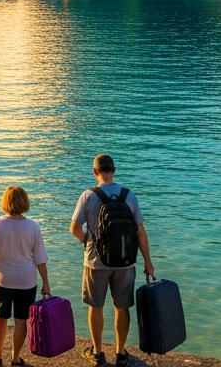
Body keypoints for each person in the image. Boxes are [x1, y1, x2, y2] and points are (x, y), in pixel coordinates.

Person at [70, 155, 153, 366]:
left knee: (96, 307)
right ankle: (121, 352)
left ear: (95, 172)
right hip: (125, 262)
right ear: (114, 170)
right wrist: (148, 262)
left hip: (96, 262)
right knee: (122, 307)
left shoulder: (88, 196)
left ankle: (98, 352)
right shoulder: (129, 195)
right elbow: (140, 232)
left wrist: (88, 242)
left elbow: (74, 228)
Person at [0, 185, 49, 367]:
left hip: (3, 278)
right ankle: (16, 358)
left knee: (0, 316)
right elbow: (40, 258)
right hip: (26, 280)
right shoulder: (32, 226)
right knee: (21, 320)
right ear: (25, 202)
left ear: (5, 202)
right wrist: (46, 283)